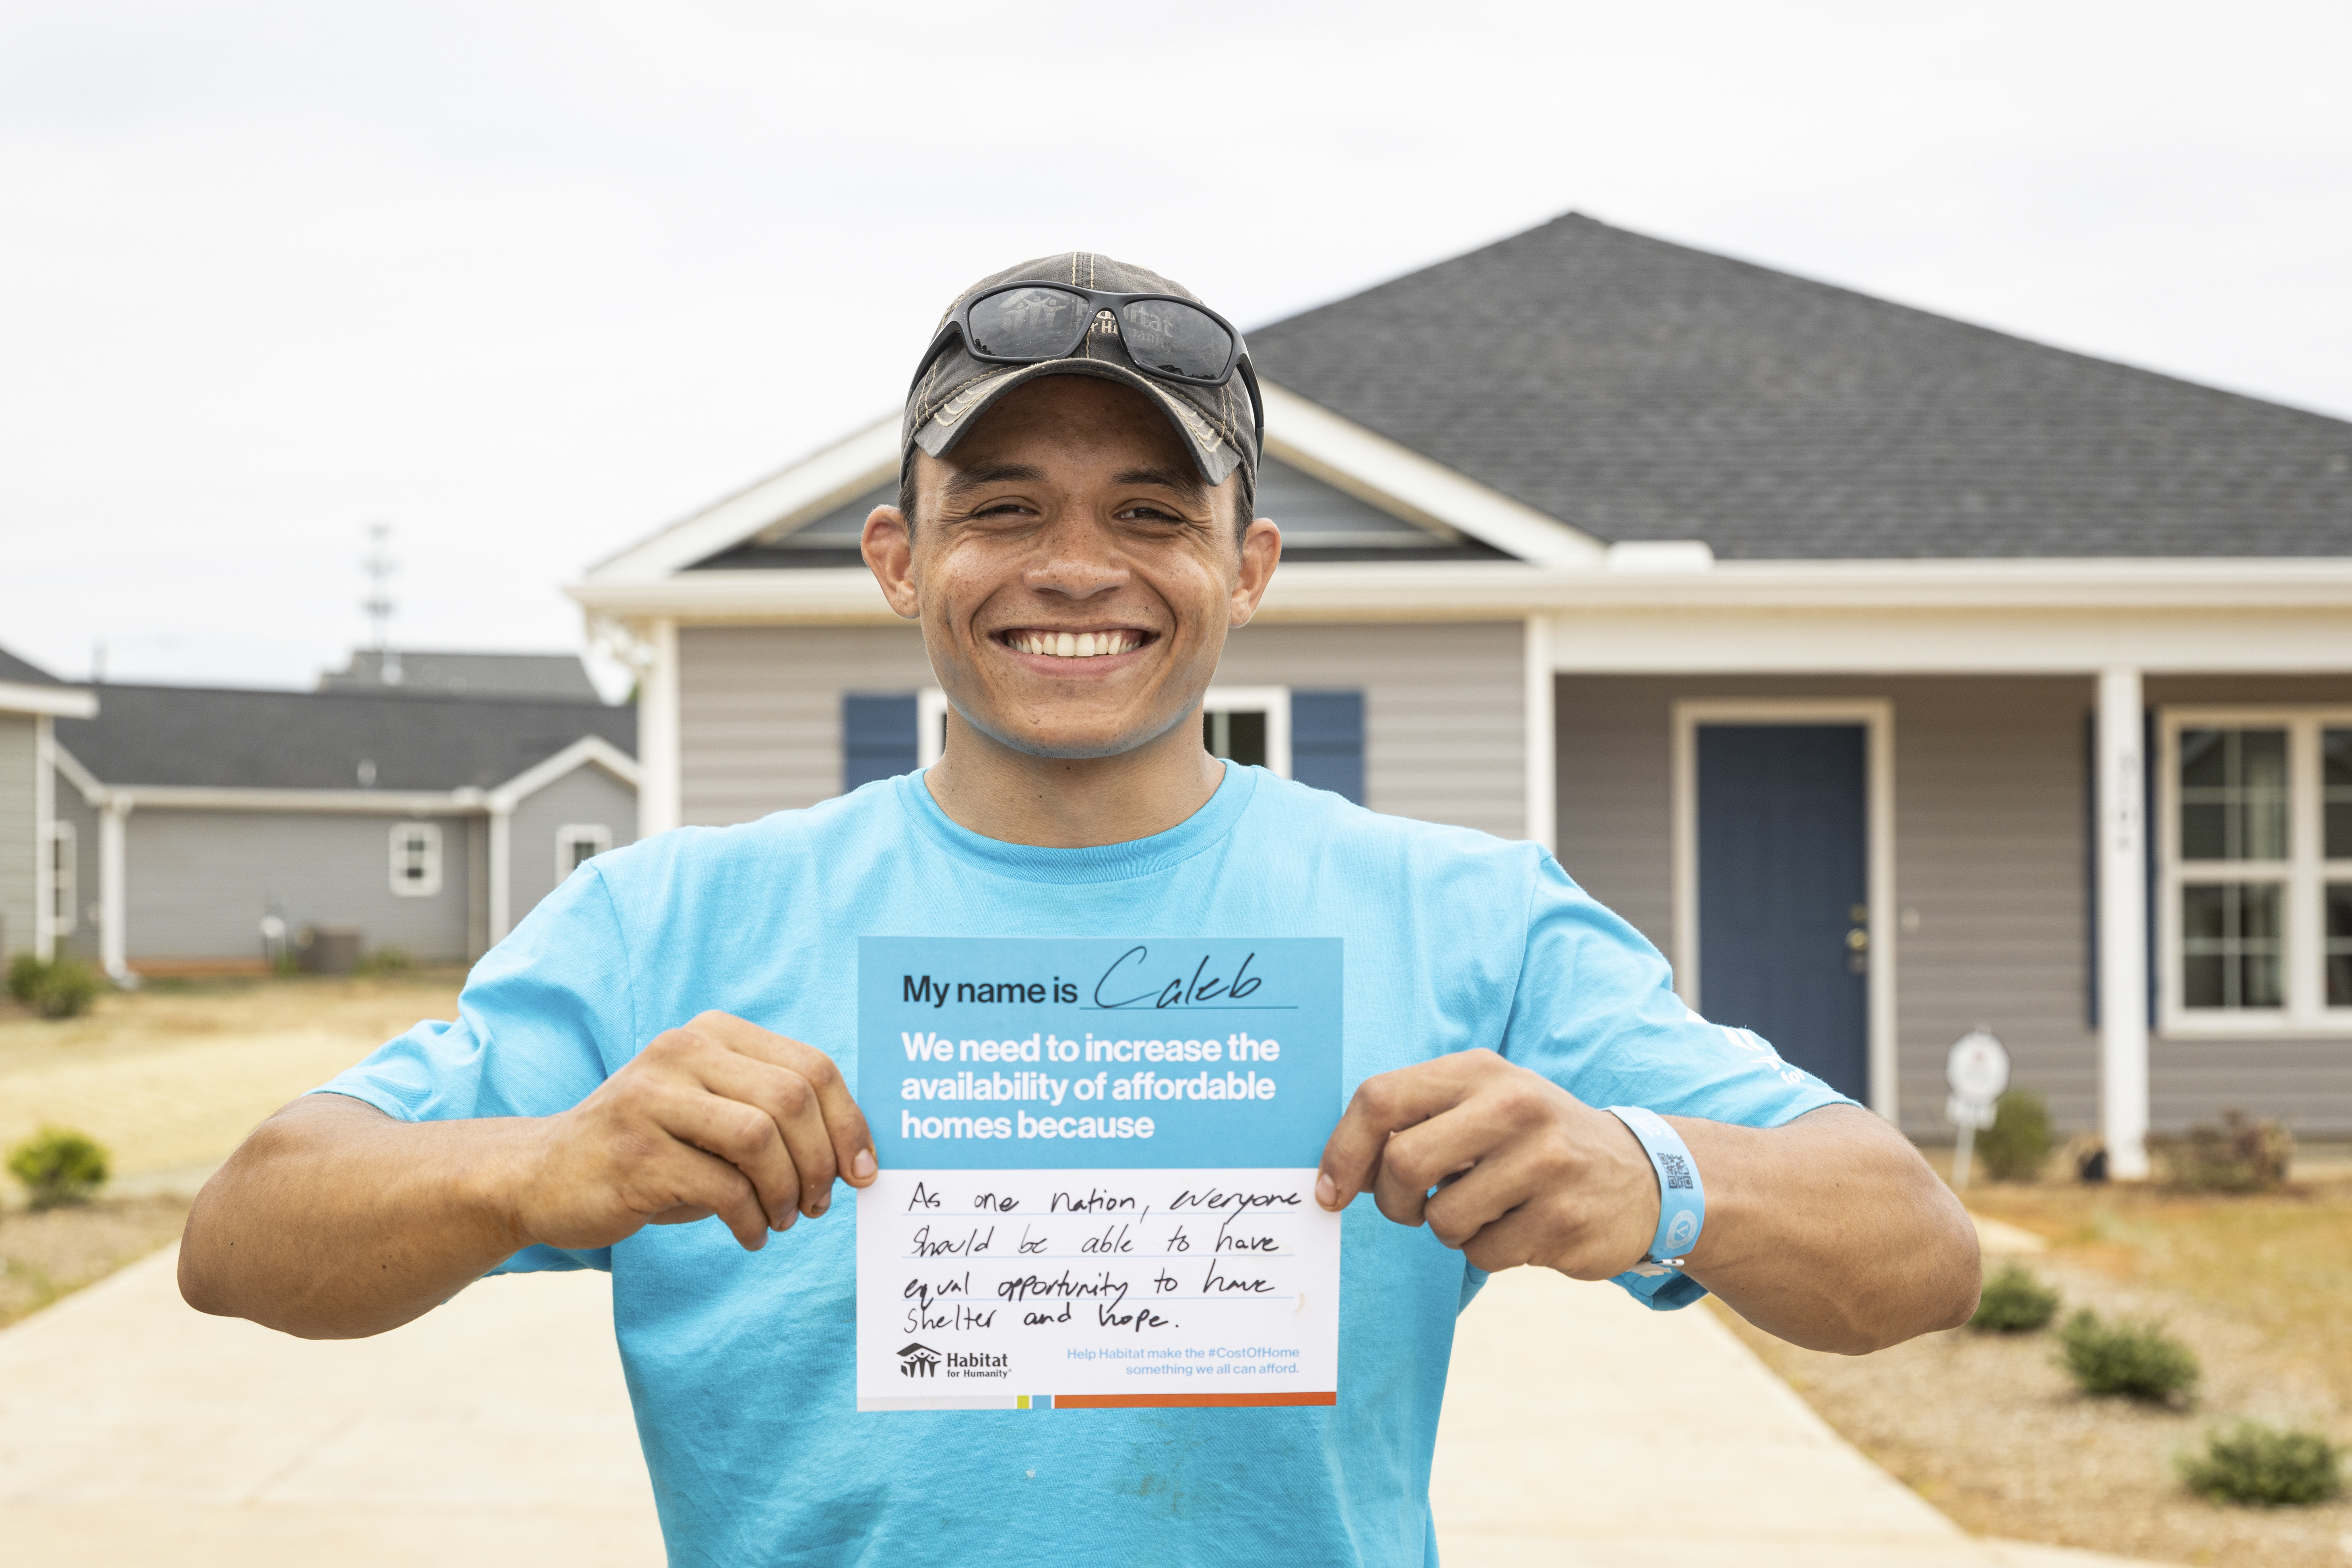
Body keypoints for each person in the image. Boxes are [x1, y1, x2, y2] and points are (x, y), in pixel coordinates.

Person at [181, 252, 1979, 1565]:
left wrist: (1656, 1175)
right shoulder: (667, 922)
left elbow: (1913, 1252)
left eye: (1151, 508)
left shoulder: (1467, 916)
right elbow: (247, 1235)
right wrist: (532, 1163)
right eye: (1003, 505)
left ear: (1246, 568)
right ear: (899, 557)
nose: (1075, 565)